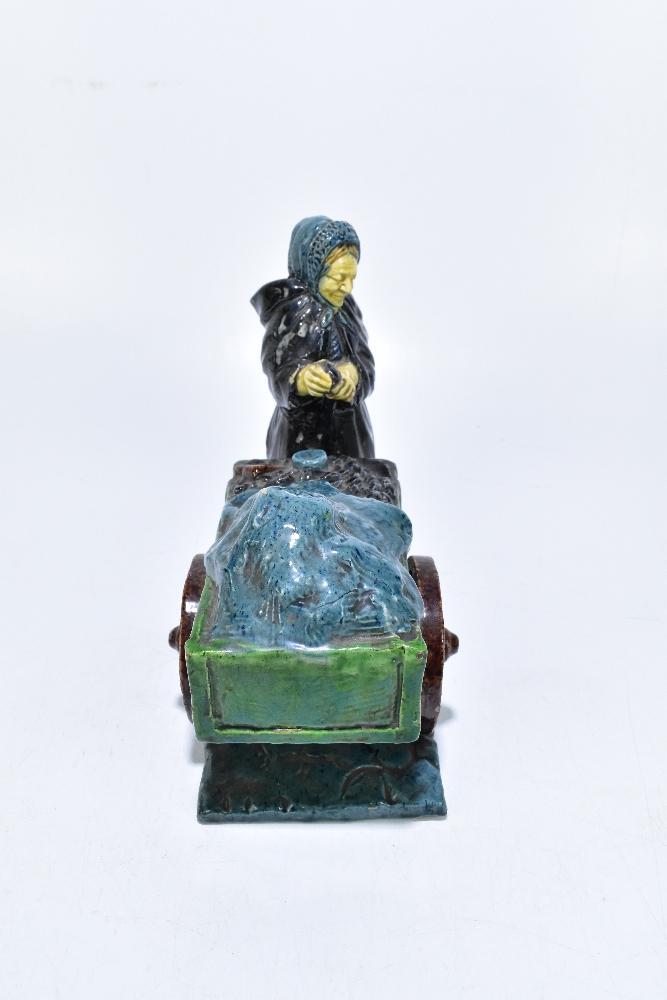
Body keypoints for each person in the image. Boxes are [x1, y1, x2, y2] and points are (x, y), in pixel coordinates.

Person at [251, 215, 375, 458]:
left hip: (349, 433)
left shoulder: (348, 310)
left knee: (353, 476)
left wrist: (354, 374)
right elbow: (275, 365)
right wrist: (301, 379)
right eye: (338, 278)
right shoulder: (290, 313)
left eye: (352, 278)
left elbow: (365, 359)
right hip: (299, 435)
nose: (347, 288)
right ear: (315, 272)